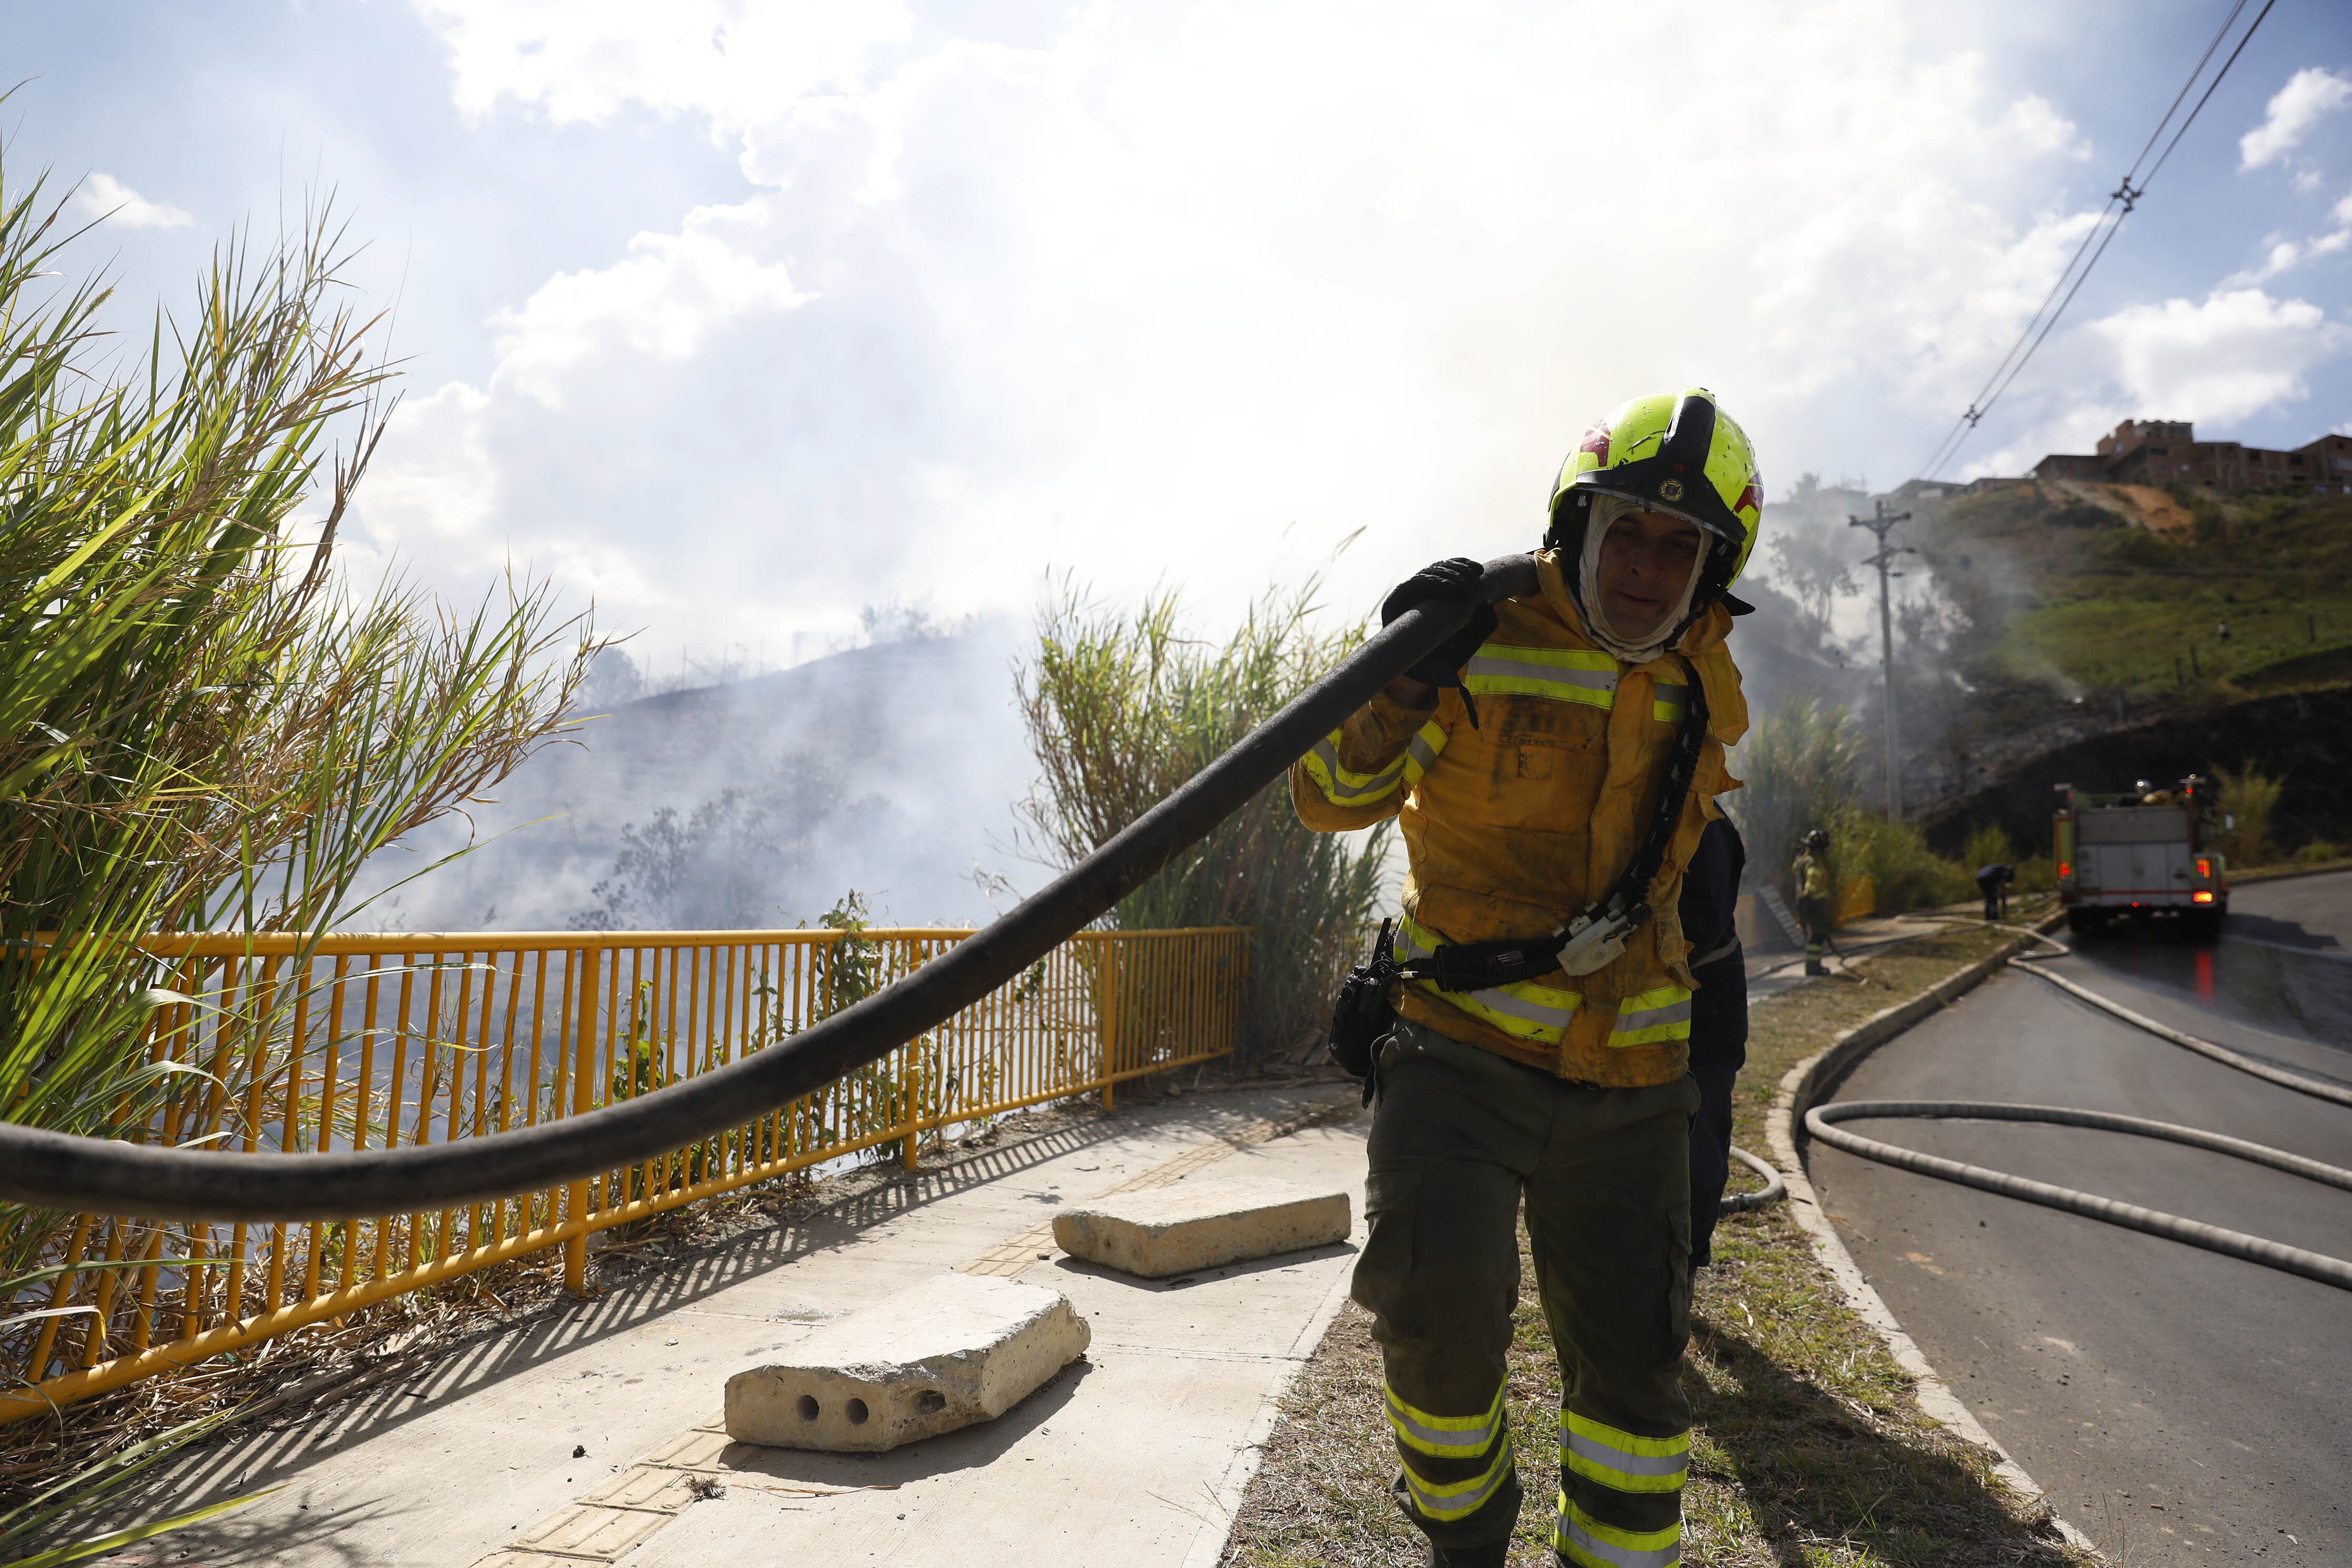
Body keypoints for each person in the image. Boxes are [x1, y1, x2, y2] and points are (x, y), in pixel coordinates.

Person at [1293, 388, 1759, 1568]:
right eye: (1628, 534)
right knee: (1432, 1313)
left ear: (1711, 572)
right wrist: (1398, 674)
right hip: (1459, 1051)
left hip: (1636, 1085)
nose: (1647, 570)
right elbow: (1328, 803)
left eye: (1680, 547)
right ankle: (1467, 1543)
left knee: (1637, 1388)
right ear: (1576, 528)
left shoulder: (1704, 677)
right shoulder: (1482, 639)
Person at [1679, 815, 1749, 1271]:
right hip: (1647, 1023)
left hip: (1706, 1021)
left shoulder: (1704, 822)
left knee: (1699, 1152)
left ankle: (1688, 1258)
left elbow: (1698, 927)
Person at [1792, 828, 1832, 977]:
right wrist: (1809, 897)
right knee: (1817, 936)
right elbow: (1811, 882)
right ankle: (1813, 967)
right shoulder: (1815, 863)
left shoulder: (1802, 860)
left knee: (1813, 935)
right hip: (1815, 903)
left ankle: (1814, 966)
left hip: (1806, 903)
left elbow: (1796, 870)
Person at [1975, 860, 2014, 924]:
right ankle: (1994, 918)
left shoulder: (1999, 868)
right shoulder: (2005, 871)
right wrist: (2004, 897)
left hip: (1979, 877)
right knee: (1993, 898)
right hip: (1987, 878)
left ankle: (1988, 917)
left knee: (1989, 898)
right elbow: (2003, 885)